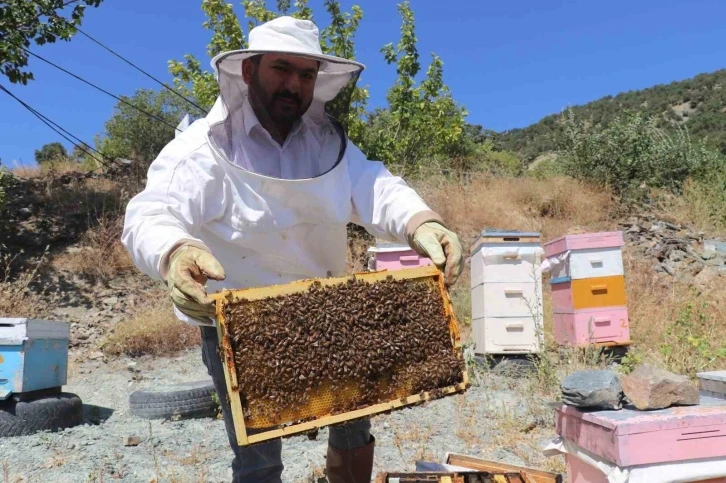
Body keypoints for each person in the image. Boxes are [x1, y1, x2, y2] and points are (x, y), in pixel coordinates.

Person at [122, 15, 463, 483]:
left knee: (353, 424)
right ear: (248, 72)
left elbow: (377, 187)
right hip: (241, 327)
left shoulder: (328, 144)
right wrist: (174, 252)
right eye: (281, 69)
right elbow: (151, 211)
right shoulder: (202, 149)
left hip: (327, 312)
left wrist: (422, 222)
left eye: (306, 75)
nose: (294, 85)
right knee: (258, 456)